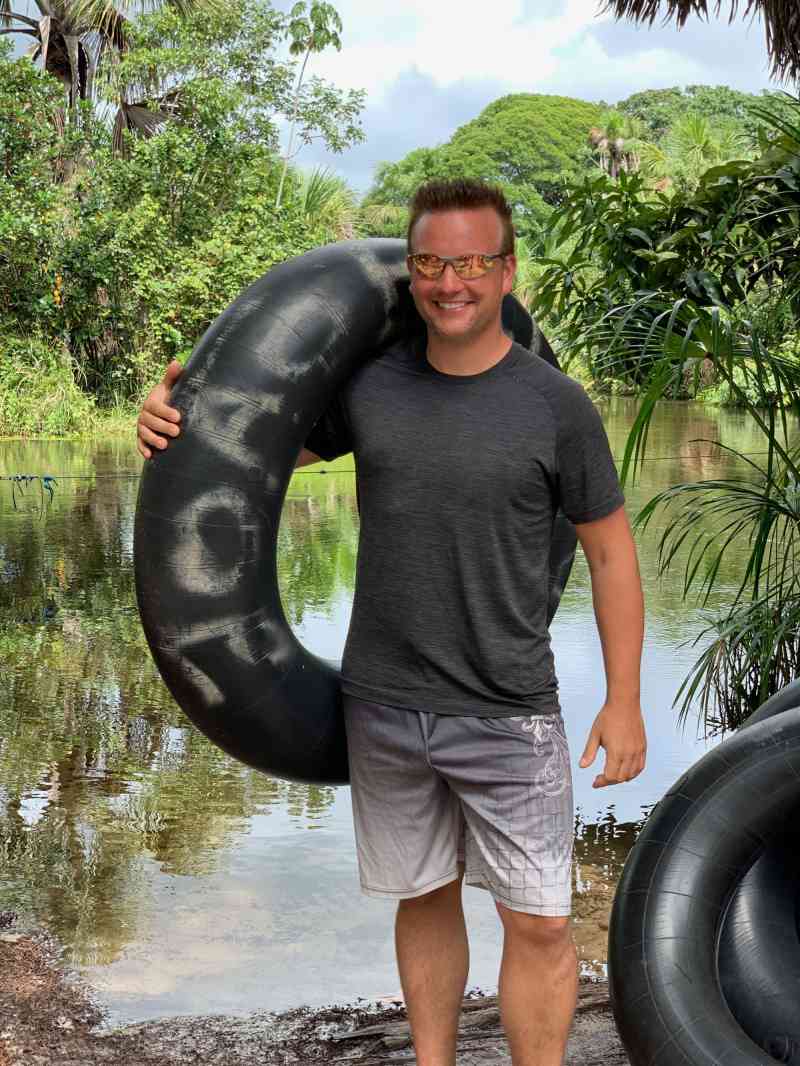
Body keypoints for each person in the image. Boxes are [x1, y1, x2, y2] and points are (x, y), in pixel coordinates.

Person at [136, 179, 646, 1066]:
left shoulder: (557, 406)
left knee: (539, 921)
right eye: (433, 263)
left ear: (506, 270)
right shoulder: (373, 389)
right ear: (410, 273)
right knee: (425, 897)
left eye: (474, 262)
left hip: (507, 704)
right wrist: (168, 424)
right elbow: (249, 454)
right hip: (384, 702)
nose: (453, 282)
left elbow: (610, 554)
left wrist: (626, 700)